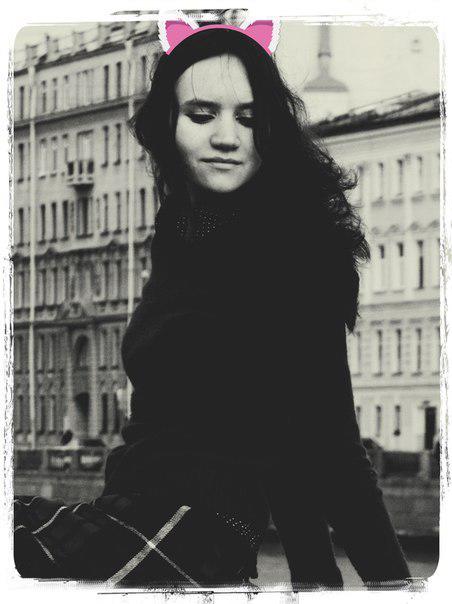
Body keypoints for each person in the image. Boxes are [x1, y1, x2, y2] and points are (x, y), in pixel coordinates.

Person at [14, 25, 411, 589]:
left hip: (192, 533)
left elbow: (326, 445)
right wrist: (315, 583)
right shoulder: (180, 232)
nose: (227, 136)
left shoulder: (292, 248)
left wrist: (383, 590)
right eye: (202, 115)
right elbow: (273, 426)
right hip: (134, 515)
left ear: (269, 130)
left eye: (248, 118)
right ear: (167, 126)